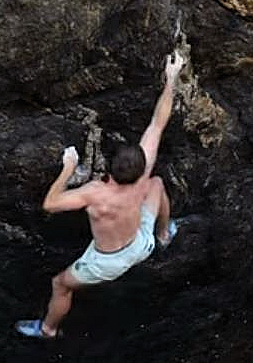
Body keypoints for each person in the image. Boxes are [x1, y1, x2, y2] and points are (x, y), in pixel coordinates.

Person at [15, 52, 185, 339]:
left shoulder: (95, 193)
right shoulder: (142, 176)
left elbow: (50, 204)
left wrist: (68, 169)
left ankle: (48, 329)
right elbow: (158, 122)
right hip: (141, 244)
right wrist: (172, 78)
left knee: (60, 284)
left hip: (107, 262)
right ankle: (164, 234)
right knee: (156, 184)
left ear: (110, 168)